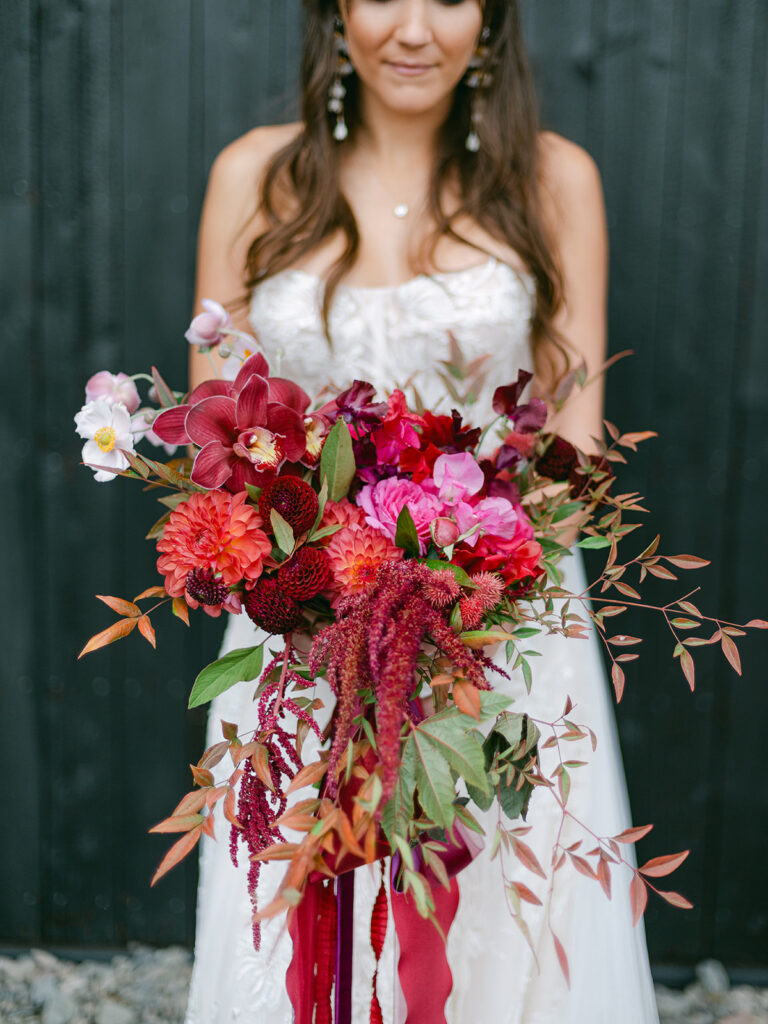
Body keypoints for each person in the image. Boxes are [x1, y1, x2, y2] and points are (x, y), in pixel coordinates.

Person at [184, 1, 659, 1021]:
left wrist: (467, 585)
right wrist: (312, 568)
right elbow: (216, 419)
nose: (413, 28)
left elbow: (574, 435)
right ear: (334, 12)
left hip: (498, 607)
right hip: (304, 610)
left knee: (498, 883)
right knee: (301, 873)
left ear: (488, 18)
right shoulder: (253, 177)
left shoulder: (553, 179)